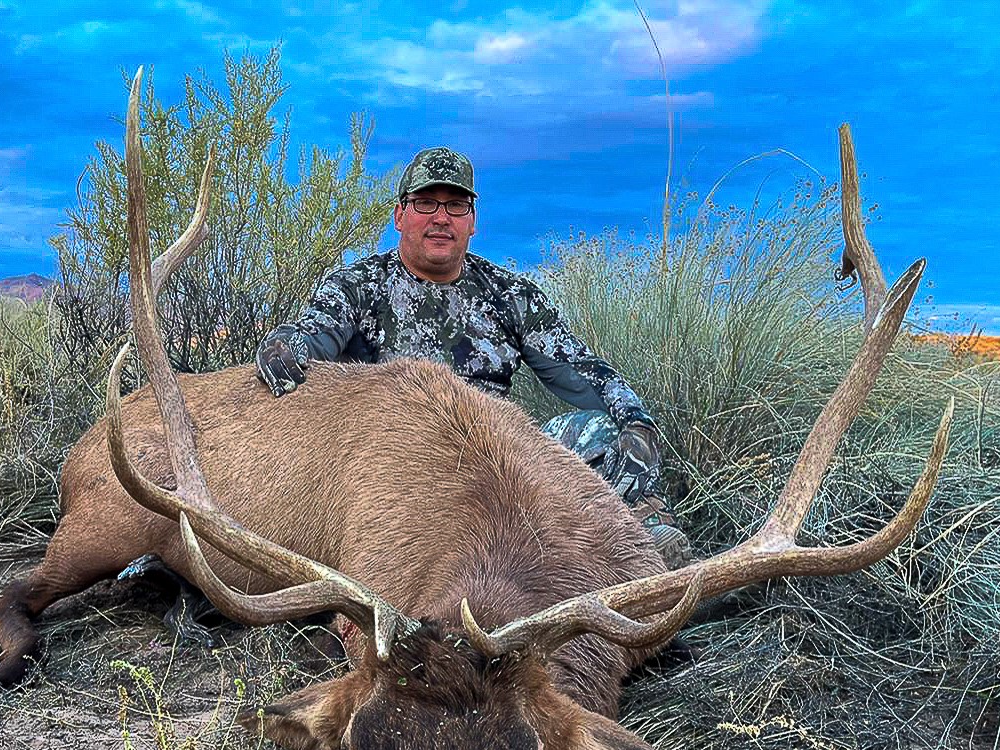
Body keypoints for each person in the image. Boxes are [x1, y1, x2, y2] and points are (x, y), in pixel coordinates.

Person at [254, 146, 690, 567]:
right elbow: (312, 336)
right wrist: (284, 345)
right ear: (399, 215)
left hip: (494, 457)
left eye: (456, 205)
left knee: (598, 431)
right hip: (395, 472)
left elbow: (580, 369)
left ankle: (640, 543)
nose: (441, 218)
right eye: (425, 203)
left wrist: (636, 421)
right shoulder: (359, 284)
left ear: (473, 221)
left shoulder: (509, 294)